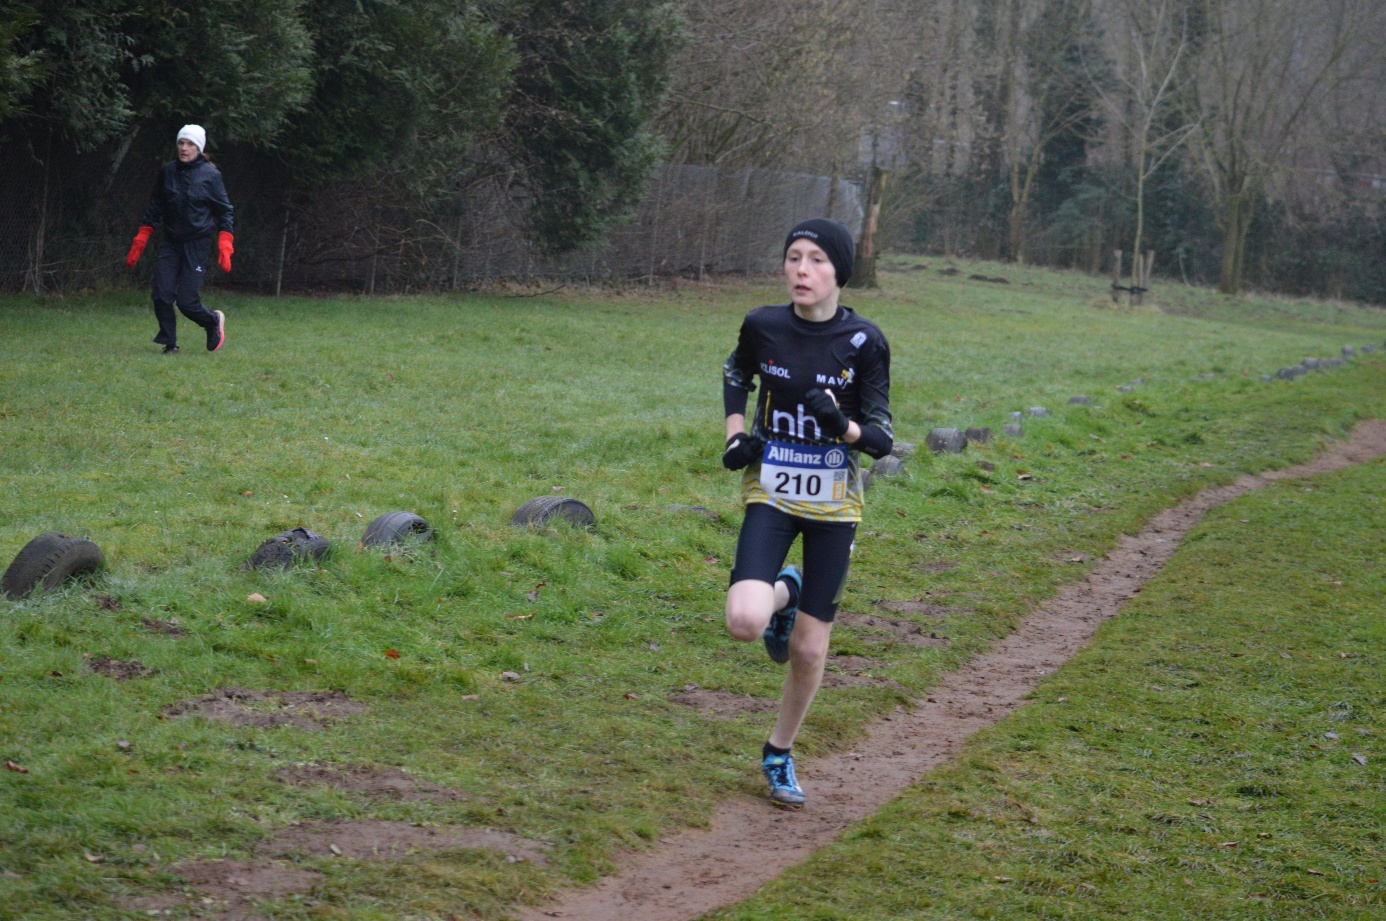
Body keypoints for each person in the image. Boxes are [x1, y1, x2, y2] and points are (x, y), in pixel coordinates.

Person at [721, 217, 894, 809]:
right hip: (771, 488)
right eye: (793, 256)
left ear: (839, 272)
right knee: (743, 621)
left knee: (809, 650)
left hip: (834, 503)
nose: (802, 269)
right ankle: (783, 594)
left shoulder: (865, 342)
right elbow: (734, 372)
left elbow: (882, 438)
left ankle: (778, 752)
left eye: (817, 259)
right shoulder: (763, 325)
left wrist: (841, 426)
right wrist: (736, 434)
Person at [126, 124, 234, 354]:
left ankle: (212, 320)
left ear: (199, 148)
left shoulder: (211, 175)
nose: (184, 148)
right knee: (161, 294)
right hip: (171, 240)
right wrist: (142, 236)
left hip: (197, 242)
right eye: (181, 143)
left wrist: (225, 242)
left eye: (190, 144)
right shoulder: (168, 171)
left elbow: (224, 211)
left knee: (186, 302)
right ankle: (170, 342)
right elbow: (156, 204)